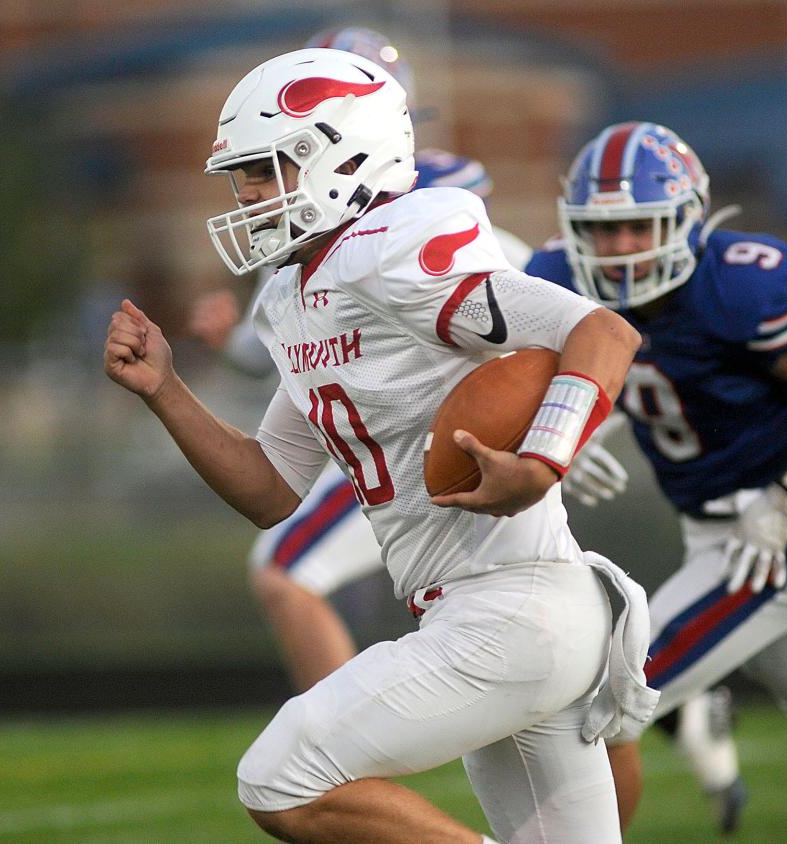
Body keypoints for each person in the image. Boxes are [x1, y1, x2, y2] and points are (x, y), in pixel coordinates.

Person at [105, 48, 657, 843]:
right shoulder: (296, 294)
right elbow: (270, 489)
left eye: (265, 170)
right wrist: (165, 389)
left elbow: (599, 330)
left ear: (340, 157)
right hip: (500, 617)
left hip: (513, 610)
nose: (248, 196)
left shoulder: (397, 245)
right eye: (243, 177)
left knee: (279, 778)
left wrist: (543, 458)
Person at [526, 120, 787, 830]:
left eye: (639, 227)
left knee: (600, 701)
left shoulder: (737, 288)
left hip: (776, 536)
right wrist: (580, 424)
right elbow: (653, 381)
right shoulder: (561, 279)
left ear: (686, 219)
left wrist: (786, 500)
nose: (619, 250)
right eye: (601, 230)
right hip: (711, 531)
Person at [187, 28, 537, 695]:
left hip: (440, 443)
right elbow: (284, 353)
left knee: (294, 576)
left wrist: (568, 418)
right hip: (379, 449)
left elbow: (551, 312)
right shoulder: (304, 254)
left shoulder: (423, 210)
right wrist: (219, 352)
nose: (255, 192)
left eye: (270, 164)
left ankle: (344, 770)